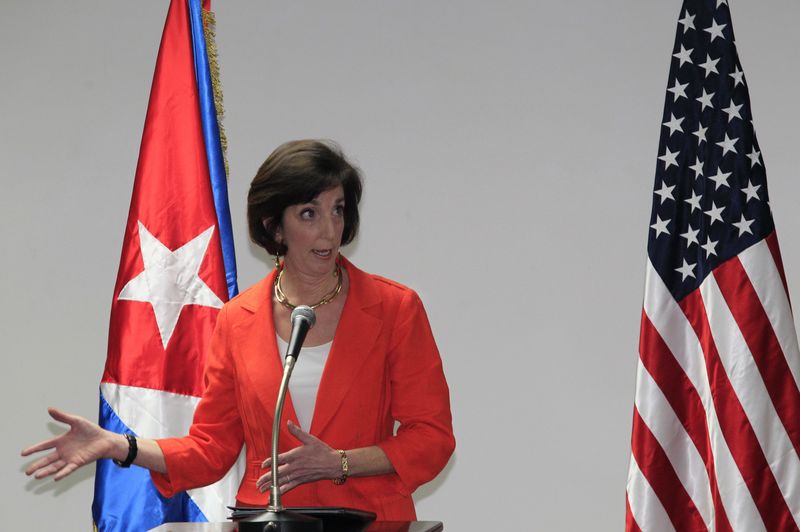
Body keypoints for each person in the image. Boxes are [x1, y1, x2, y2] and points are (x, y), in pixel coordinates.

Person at [22, 139, 455, 521]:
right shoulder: (236, 319)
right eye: (309, 213)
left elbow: (432, 438)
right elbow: (211, 449)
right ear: (273, 226)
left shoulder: (394, 309)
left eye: (338, 210)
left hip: (370, 521)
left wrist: (340, 462)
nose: (329, 230)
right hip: (268, 522)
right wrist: (122, 446)